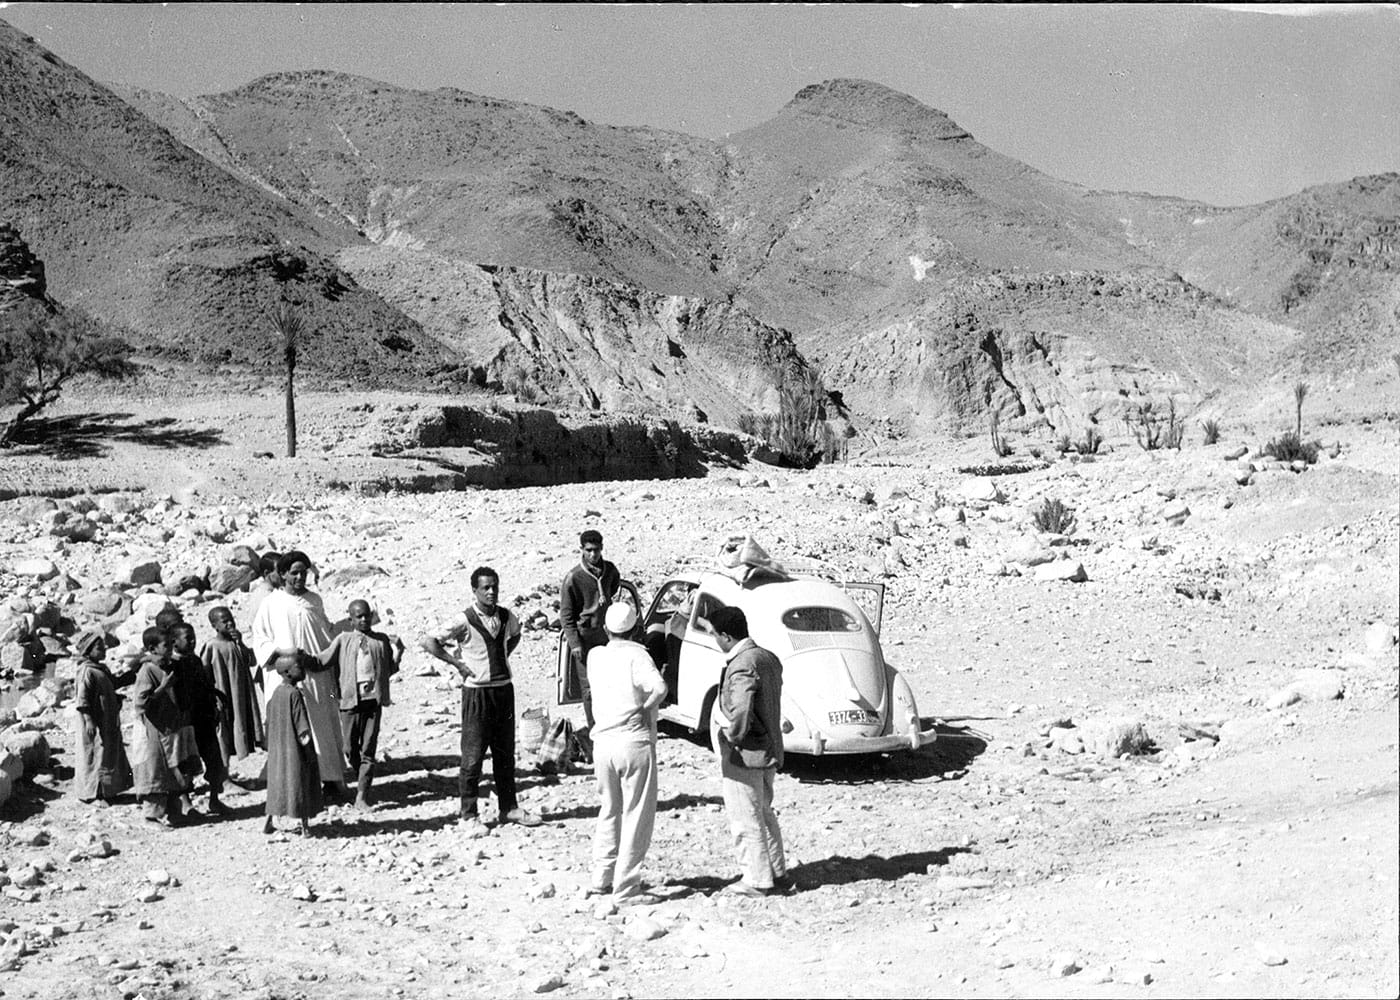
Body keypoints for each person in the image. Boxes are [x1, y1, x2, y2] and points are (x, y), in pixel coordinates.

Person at [420, 566, 541, 836]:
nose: (491, 591)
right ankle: (468, 815)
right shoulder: (463, 620)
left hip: (503, 691)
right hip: (477, 693)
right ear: (474, 590)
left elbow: (516, 635)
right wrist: (457, 664)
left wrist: (501, 657)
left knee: (505, 755)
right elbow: (429, 641)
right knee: (473, 757)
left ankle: (509, 808)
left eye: (494, 586)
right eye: (485, 587)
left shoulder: (508, 616)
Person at [586, 603, 667, 906]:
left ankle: (601, 877)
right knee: (637, 815)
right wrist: (643, 709)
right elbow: (660, 688)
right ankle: (626, 887)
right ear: (635, 629)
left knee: (609, 810)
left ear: (607, 630)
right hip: (633, 741)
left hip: (603, 743)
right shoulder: (638, 656)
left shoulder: (596, 656)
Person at [710, 606, 793, 897]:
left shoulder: (742, 664)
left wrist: (732, 736)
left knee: (745, 817)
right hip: (769, 750)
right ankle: (776, 871)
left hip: (746, 754)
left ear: (726, 636)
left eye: (715, 635)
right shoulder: (767, 657)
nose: (714, 640)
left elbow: (741, 708)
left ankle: (757, 879)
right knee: (764, 812)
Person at [251, 550, 347, 799]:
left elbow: (325, 632)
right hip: (286, 676)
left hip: (316, 676)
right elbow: (260, 640)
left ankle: (332, 780)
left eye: (303, 572)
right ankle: (297, 786)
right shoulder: (271, 603)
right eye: (294, 572)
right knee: (294, 729)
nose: (300, 577)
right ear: (282, 574)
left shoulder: (314, 600)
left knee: (323, 724)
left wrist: (323, 657)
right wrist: (286, 654)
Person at [318, 599, 400, 811]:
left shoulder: (381, 640)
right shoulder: (343, 639)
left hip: (373, 701)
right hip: (349, 700)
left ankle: (362, 795)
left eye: (366, 615)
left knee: (368, 749)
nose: (363, 620)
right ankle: (361, 772)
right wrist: (300, 659)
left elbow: (388, 669)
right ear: (350, 619)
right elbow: (323, 661)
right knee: (349, 748)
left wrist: (399, 651)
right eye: (358, 616)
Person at [131, 627, 197, 827]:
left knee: (174, 770)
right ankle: (151, 816)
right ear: (152, 648)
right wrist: (163, 687)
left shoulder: (166, 665)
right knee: (156, 771)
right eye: (165, 645)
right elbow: (141, 703)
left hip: (171, 728)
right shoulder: (148, 670)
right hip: (156, 730)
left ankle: (174, 811)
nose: (171, 648)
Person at [560, 529, 621, 730]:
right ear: (581, 550)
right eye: (588, 550)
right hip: (585, 639)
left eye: (596, 550)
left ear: (602, 548)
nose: (593, 555)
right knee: (589, 688)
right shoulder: (574, 578)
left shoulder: (610, 570)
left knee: (610, 683)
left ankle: (610, 724)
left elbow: (614, 589)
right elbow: (567, 616)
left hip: (607, 636)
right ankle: (594, 728)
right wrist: (575, 643)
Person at [171, 621, 230, 816]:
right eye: (188, 638)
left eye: (194, 636)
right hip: (186, 722)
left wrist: (216, 699)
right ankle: (186, 804)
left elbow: (205, 685)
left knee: (214, 760)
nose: (193, 641)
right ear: (174, 641)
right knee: (186, 764)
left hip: (203, 719)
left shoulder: (195, 660)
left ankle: (214, 800)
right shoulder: (172, 665)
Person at [262, 650, 321, 837]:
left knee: (277, 785)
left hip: (278, 750)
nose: (302, 669)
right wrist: (309, 750)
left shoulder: (276, 694)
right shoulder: (294, 694)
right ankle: (305, 826)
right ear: (287, 672)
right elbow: (302, 727)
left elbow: (269, 722)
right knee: (300, 784)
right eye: (299, 667)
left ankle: (269, 821)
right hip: (295, 750)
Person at [71, 629, 133, 806]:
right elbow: (82, 699)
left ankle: (109, 790)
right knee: (96, 753)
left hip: (107, 719)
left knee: (109, 752)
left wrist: (132, 674)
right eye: (99, 647)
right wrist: (89, 720)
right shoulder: (86, 671)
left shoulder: (101, 669)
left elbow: (113, 684)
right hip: (95, 721)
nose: (104, 650)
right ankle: (95, 794)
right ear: (88, 651)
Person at [200, 606, 265, 761]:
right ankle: (224, 775)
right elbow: (203, 671)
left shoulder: (236, 643)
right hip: (224, 694)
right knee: (225, 729)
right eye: (224, 622)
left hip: (241, 695)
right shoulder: (212, 646)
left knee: (241, 721)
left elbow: (252, 660)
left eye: (231, 620)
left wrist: (241, 642)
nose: (230, 624)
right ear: (215, 626)